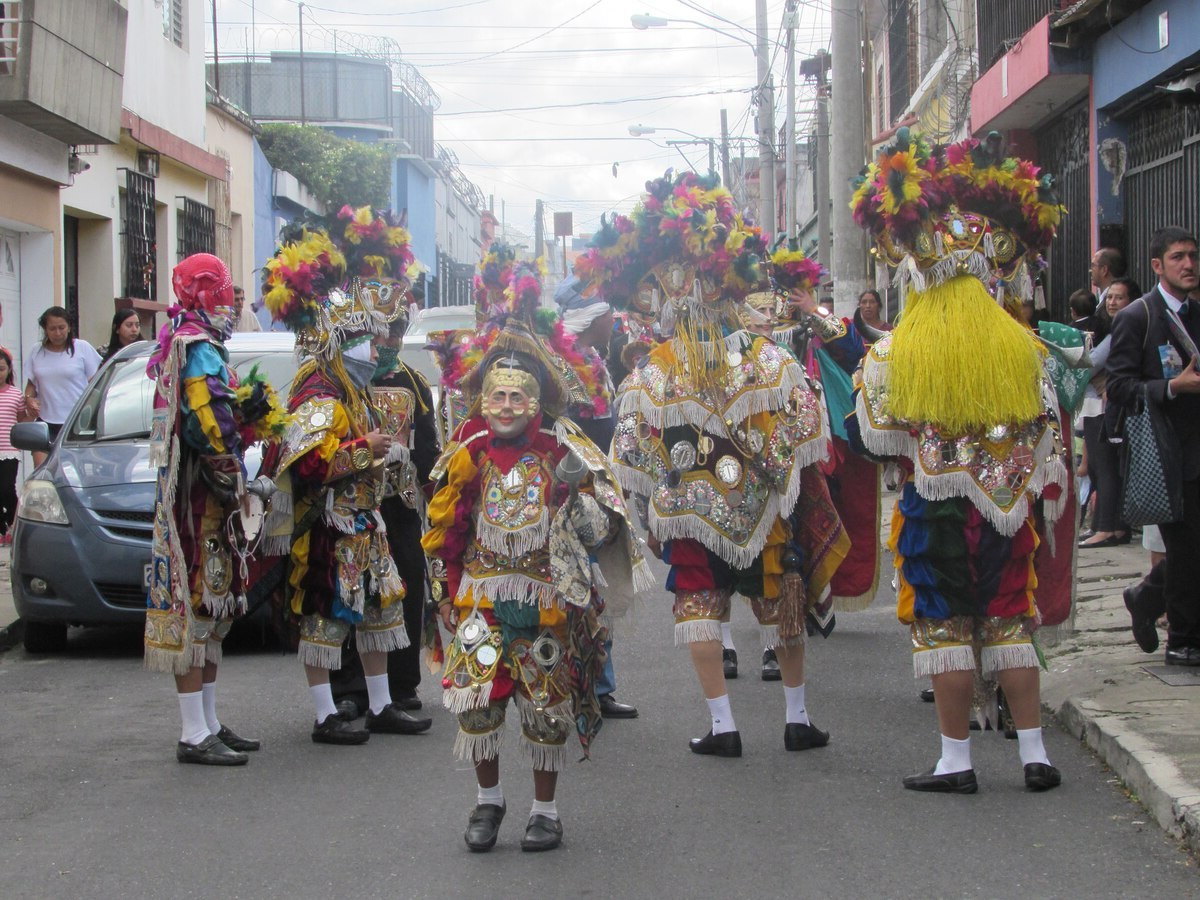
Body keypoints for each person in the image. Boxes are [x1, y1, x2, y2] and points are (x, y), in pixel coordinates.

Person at [578, 171, 844, 759]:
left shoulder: (649, 374)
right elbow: (808, 429)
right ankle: (797, 720)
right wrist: (782, 484)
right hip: (764, 507)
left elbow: (629, 457)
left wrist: (650, 515)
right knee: (780, 602)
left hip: (688, 514)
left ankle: (723, 727)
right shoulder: (767, 357)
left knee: (699, 606)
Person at [849, 129, 1070, 793]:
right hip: (1008, 508)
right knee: (1009, 619)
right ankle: (1034, 755)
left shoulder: (891, 355)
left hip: (936, 506)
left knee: (945, 626)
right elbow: (1049, 439)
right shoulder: (1027, 351)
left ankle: (956, 762)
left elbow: (877, 436)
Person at [423, 253, 647, 853]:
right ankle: (488, 803)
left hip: (547, 598)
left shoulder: (562, 447)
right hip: (480, 598)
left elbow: (603, 529)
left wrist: (574, 491)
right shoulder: (467, 449)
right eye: (495, 395)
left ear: (538, 398)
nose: (504, 407)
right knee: (476, 705)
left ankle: (544, 810)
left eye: (517, 396)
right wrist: (445, 591)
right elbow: (445, 528)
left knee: (546, 708)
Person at [262, 205, 432, 744]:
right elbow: (308, 463)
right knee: (327, 616)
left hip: (367, 521)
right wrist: (365, 451)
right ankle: (324, 714)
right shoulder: (319, 389)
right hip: (331, 524)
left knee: (381, 609)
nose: (372, 346)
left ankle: (382, 705)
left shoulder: (354, 387)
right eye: (361, 336)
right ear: (340, 342)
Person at [143, 253, 285, 765]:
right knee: (201, 606)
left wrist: (247, 412)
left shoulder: (187, 342)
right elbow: (207, 422)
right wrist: (242, 455)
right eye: (225, 293)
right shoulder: (198, 346)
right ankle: (192, 733)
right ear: (205, 294)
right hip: (201, 499)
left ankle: (207, 722)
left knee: (214, 607)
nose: (232, 304)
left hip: (197, 497)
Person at [328, 314, 440, 717]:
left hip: (400, 504)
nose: (389, 339)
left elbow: (431, 449)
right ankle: (350, 687)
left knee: (404, 586)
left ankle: (400, 684)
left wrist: (412, 460)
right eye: (382, 332)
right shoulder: (344, 381)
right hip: (354, 502)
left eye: (396, 331)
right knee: (352, 589)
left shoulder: (414, 383)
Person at [1107, 227, 1200, 666]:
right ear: (1158, 266)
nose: (1189, 264)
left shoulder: (1198, 314)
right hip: (1167, 456)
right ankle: (1182, 640)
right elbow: (1120, 387)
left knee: (1192, 550)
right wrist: (1171, 387)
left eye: (1193, 256)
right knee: (1184, 550)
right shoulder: (1138, 317)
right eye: (1179, 257)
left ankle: (1145, 597)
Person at [555, 274, 638, 719]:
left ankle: (598, 688)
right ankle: (581, 687)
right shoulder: (570, 363)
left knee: (596, 588)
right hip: (576, 492)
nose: (616, 318)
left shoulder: (591, 359)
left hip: (598, 488)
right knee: (583, 586)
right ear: (591, 318)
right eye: (609, 311)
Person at [1078, 277, 1139, 549]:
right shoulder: (1110, 328)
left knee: (1104, 467)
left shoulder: (1121, 331)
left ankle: (1107, 527)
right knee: (1105, 466)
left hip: (1108, 404)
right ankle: (1110, 525)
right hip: (1104, 402)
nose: (1113, 302)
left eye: (1119, 297)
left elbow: (1090, 365)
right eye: (1110, 297)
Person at [24, 306, 101, 464]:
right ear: (45, 329)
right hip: (45, 421)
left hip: (77, 422)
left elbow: (96, 384)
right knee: (42, 471)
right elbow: (31, 384)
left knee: (74, 469)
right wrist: (28, 399)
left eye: (61, 328)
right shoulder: (36, 351)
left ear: (69, 327)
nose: (58, 333)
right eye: (52, 329)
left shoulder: (82, 348)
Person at [0, 347, 26, 545]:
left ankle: (13, 522)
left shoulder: (16, 395)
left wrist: (32, 412)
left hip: (8, 450)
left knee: (7, 488)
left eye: (1, 368)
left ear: (9, 370)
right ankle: (2, 529)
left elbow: (22, 421)